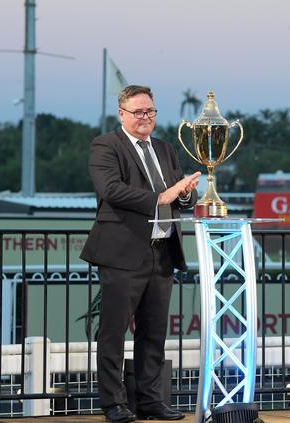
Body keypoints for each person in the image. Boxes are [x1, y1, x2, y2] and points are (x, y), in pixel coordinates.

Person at [81, 85, 200, 422]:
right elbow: (111, 190)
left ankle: (150, 400)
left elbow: (179, 194)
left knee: (153, 332)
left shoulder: (164, 148)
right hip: (121, 254)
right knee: (113, 332)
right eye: (138, 112)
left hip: (162, 252)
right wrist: (161, 197)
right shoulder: (106, 145)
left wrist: (187, 195)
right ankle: (114, 404)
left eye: (150, 111)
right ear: (122, 114)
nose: (145, 117)